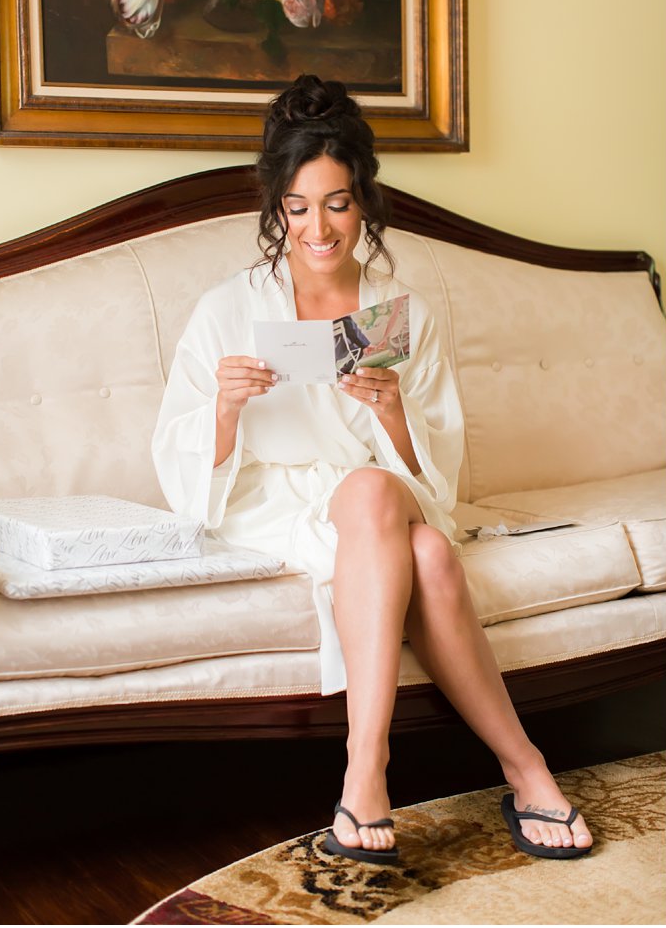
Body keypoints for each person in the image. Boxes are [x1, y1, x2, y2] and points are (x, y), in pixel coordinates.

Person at [151, 74, 593, 863]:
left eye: (337, 203)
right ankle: (521, 769)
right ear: (275, 208)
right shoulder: (228, 307)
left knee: (381, 501)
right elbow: (182, 472)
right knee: (423, 554)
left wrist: (390, 409)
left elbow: (441, 473)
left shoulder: (401, 312)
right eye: (298, 206)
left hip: (380, 489)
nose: (319, 228)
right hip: (274, 499)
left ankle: (367, 771)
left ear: (364, 201)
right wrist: (224, 408)